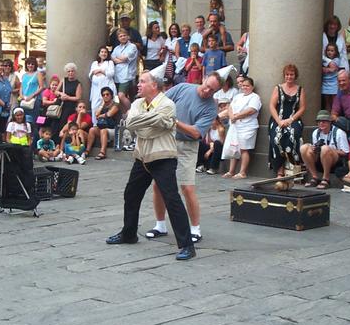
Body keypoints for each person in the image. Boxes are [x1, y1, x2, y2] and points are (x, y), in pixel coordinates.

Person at [105, 69, 195, 261]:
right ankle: (129, 234)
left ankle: (187, 245)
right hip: (142, 157)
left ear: (154, 85)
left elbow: (143, 128)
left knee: (171, 199)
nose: (138, 85)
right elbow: (130, 123)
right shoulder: (137, 103)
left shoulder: (168, 104)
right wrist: (149, 122)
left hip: (163, 158)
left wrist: (139, 123)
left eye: (143, 81)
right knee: (131, 194)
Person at [147, 70, 223, 244]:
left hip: (188, 146)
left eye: (212, 90)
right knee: (158, 185)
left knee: (187, 188)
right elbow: (161, 101)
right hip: (167, 140)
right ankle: (160, 225)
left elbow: (196, 133)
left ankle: (195, 228)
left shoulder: (211, 108)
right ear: (204, 79)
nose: (207, 91)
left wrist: (174, 122)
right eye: (207, 86)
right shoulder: (183, 87)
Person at [268, 63, 306, 176]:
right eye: (287, 74)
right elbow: (271, 106)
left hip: (293, 119)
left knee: (293, 135)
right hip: (278, 119)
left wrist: (291, 119)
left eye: (291, 74)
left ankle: (293, 167)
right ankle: (279, 170)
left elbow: (302, 108)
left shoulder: (300, 89)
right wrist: (279, 121)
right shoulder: (278, 88)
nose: (289, 77)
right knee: (276, 138)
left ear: (295, 75)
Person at [222, 76, 262, 179]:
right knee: (234, 147)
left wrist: (236, 116)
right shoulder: (238, 96)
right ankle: (231, 171)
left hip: (247, 125)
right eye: (243, 85)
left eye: (247, 86)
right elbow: (230, 107)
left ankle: (242, 172)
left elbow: (251, 110)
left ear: (252, 87)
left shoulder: (255, 97)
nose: (244, 87)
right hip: (235, 125)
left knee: (244, 148)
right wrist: (232, 116)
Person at [300, 110, 349, 189]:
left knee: (325, 148)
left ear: (329, 122)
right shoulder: (316, 132)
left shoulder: (339, 132)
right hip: (320, 159)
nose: (321, 123)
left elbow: (345, 152)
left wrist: (330, 149)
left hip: (336, 161)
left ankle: (326, 179)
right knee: (304, 148)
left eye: (324, 121)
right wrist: (315, 149)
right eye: (319, 122)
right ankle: (314, 177)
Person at [86, 87, 119, 160]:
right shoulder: (103, 105)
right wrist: (102, 104)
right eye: (103, 95)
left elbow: (109, 114)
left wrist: (100, 116)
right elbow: (96, 114)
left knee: (103, 130)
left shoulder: (116, 104)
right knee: (92, 129)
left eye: (107, 94)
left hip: (114, 130)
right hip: (103, 128)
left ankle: (102, 152)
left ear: (111, 95)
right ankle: (87, 151)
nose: (105, 96)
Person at [89, 46, 117, 123]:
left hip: (107, 87)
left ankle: (107, 123)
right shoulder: (94, 63)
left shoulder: (110, 62)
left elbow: (111, 74)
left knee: (107, 105)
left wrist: (101, 71)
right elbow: (90, 74)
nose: (103, 53)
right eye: (102, 52)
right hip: (96, 89)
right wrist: (95, 73)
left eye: (105, 52)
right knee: (94, 107)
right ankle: (95, 124)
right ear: (99, 54)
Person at [111, 29, 138, 100]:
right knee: (117, 97)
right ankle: (120, 107)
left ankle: (130, 107)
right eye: (120, 36)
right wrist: (121, 59)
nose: (123, 37)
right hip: (117, 76)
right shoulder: (116, 48)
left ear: (128, 36)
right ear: (118, 38)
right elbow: (112, 58)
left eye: (124, 35)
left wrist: (118, 58)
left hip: (127, 76)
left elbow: (125, 58)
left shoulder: (132, 46)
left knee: (121, 95)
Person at [56, 63, 82, 132]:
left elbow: (78, 97)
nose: (70, 73)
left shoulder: (77, 83)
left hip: (70, 107)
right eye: (69, 71)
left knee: (65, 123)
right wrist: (61, 94)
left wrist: (67, 97)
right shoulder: (63, 80)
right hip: (61, 105)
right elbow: (56, 91)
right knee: (57, 123)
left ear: (75, 72)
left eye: (72, 71)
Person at [20, 57, 44, 124]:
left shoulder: (38, 74)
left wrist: (32, 95)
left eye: (32, 64)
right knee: (24, 120)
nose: (30, 65)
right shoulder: (24, 75)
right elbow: (21, 87)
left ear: (35, 65)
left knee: (34, 120)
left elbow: (41, 87)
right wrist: (21, 95)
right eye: (28, 64)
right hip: (24, 100)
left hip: (34, 100)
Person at [322, 43, 341, 111]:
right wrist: (327, 69)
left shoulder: (337, 60)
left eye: (332, 51)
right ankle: (327, 115)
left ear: (335, 52)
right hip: (325, 83)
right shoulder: (324, 60)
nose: (329, 52)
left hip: (334, 83)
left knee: (334, 101)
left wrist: (325, 69)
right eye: (328, 50)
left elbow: (332, 69)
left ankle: (334, 114)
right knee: (327, 102)